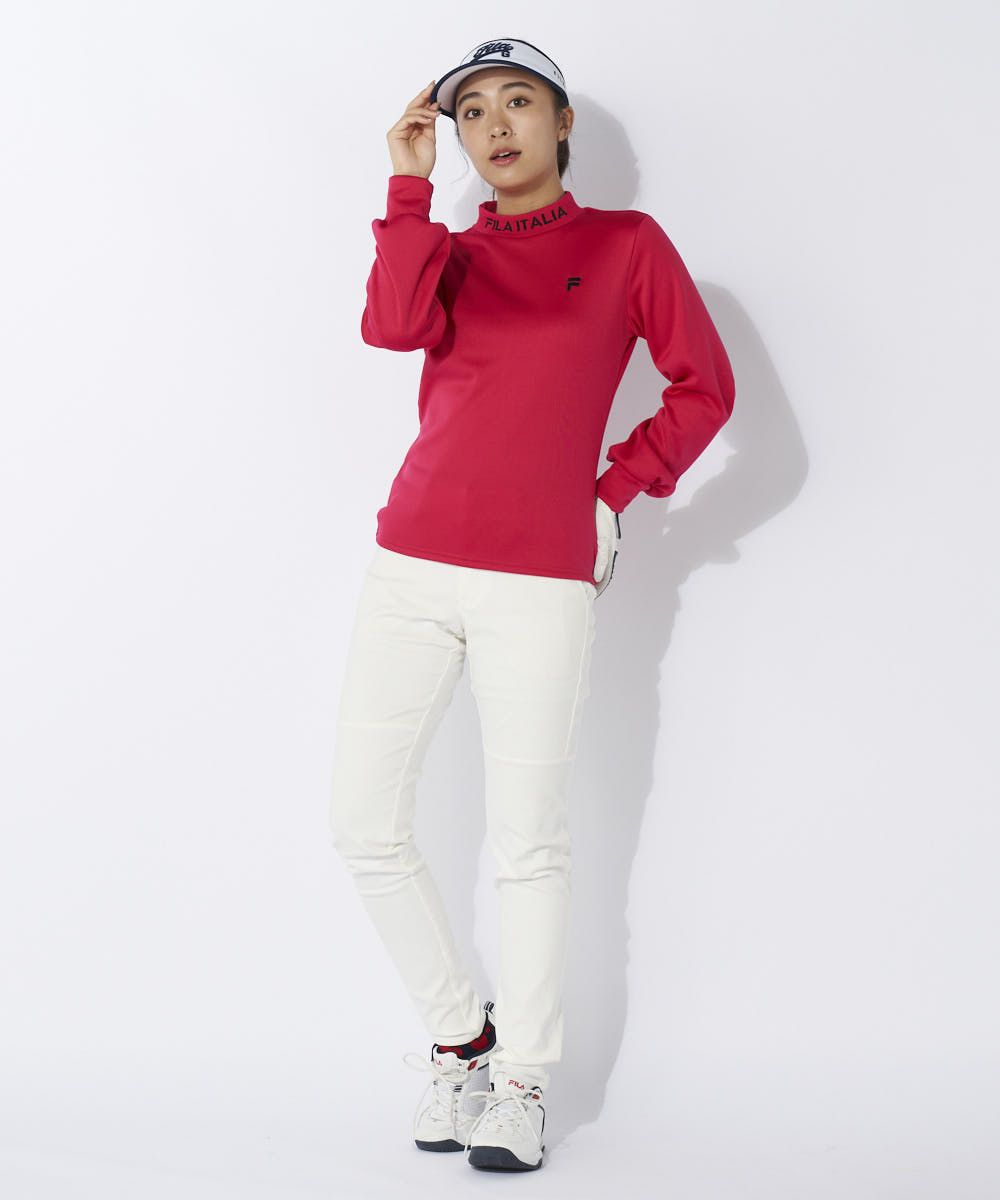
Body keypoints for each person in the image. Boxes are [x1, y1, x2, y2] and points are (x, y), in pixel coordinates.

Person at [329, 37, 736, 1172]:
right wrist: (407, 187)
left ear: (562, 125)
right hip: (410, 563)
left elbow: (705, 388)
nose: (494, 126)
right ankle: (461, 1036)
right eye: (471, 112)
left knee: (528, 842)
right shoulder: (448, 251)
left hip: (539, 577)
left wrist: (611, 489)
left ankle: (521, 1083)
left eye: (518, 102)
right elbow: (390, 328)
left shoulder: (625, 244)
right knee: (363, 824)